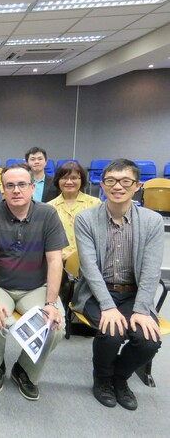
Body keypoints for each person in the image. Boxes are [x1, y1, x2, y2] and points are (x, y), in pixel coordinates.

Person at [72, 159, 163, 411]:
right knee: (112, 332)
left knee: (148, 341)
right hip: (96, 292)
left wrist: (143, 309)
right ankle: (101, 378)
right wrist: (108, 306)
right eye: (111, 181)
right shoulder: (86, 219)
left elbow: (151, 270)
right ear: (102, 185)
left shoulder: (152, 221)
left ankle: (119, 378)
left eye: (125, 181)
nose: (118, 186)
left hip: (134, 294)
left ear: (138, 185)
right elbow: (89, 269)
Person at [0, 163, 67, 401]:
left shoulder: (48, 214)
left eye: (22, 184)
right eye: (10, 185)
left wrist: (51, 303)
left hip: (36, 287)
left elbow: (55, 260)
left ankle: (24, 370)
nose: (16, 190)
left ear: (32, 187)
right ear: (3, 188)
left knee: (54, 326)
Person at [47, 161, 101, 260]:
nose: (69, 182)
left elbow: (101, 235)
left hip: (89, 260)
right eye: (64, 178)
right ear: (58, 180)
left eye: (74, 178)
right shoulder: (49, 207)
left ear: (82, 180)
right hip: (59, 261)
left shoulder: (95, 204)